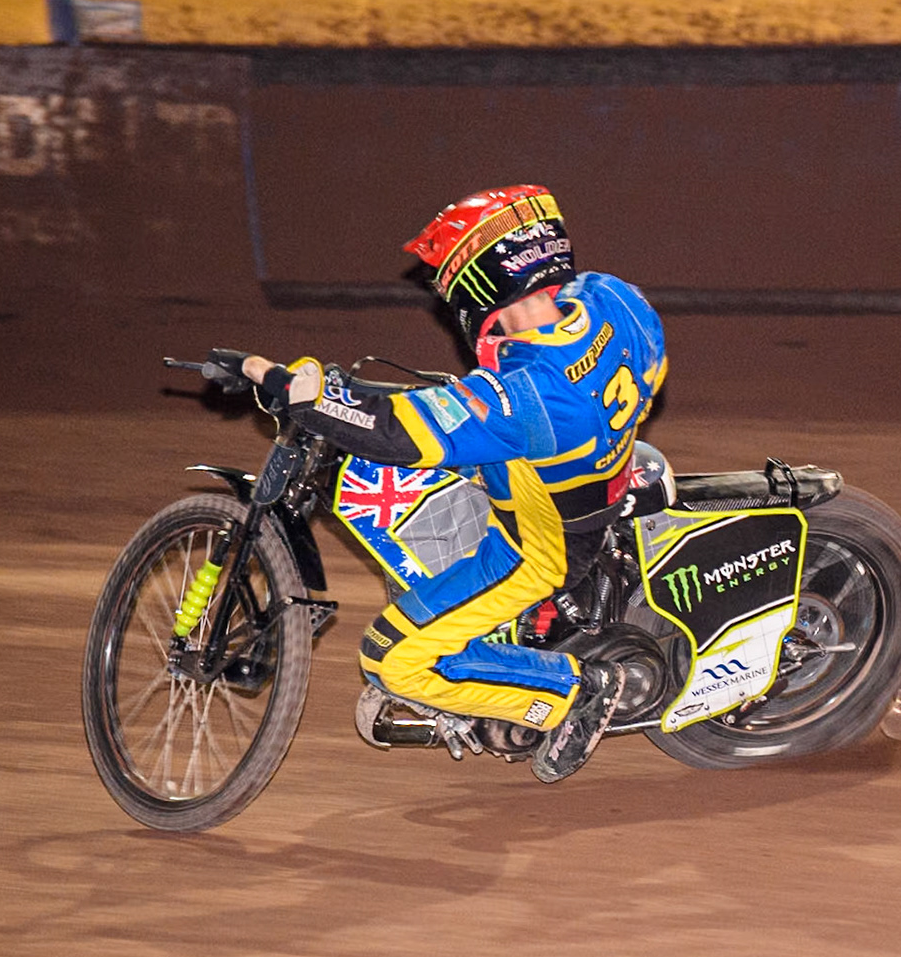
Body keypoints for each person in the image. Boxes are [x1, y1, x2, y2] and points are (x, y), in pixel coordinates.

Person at [243, 184, 668, 781]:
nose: (444, 293)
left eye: (448, 278)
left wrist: (305, 399)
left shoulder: (524, 397)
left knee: (389, 658)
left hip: (539, 547)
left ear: (482, 276)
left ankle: (573, 693)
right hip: (597, 469)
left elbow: (396, 431)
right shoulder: (614, 301)